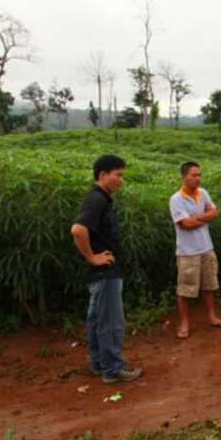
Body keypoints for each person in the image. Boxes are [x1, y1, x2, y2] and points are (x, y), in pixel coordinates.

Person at [71, 155, 143, 384]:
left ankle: (99, 364)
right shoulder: (97, 200)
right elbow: (78, 230)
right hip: (105, 273)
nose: (121, 180)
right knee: (111, 321)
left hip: (100, 274)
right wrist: (93, 258)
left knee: (96, 320)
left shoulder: (99, 198)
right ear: (103, 175)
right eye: (118, 175)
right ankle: (113, 369)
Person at [169, 161, 221, 339]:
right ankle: (184, 323)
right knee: (185, 289)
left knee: (209, 285)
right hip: (187, 252)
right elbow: (185, 224)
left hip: (206, 247)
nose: (198, 178)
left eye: (199, 175)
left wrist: (197, 217)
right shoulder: (176, 199)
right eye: (194, 175)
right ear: (184, 176)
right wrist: (205, 217)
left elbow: (215, 213)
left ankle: (212, 317)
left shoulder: (203, 193)